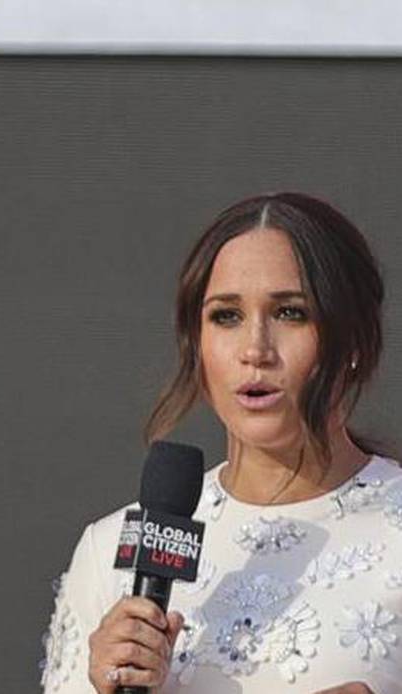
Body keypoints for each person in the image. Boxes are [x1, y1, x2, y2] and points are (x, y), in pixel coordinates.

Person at [41, 192, 401, 694]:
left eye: (291, 313)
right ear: (197, 344)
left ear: (355, 343)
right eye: (226, 316)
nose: (255, 350)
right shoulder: (109, 553)